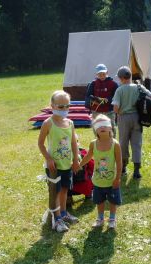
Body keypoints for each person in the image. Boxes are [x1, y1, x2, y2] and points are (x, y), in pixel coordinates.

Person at [38, 90, 80, 233]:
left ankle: (63, 213)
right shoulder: (47, 123)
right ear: (52, 106)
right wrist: (48, 159)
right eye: (60, 106)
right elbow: (41, 144)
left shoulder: (70, 123)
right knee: (55, 192)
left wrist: (76, 159)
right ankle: (57, 220)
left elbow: (74, 143)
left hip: (66, 164)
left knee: (64, 190)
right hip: (54, 166)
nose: (64, 109)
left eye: (67, 106)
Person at [112, 66, 151, 179]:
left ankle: (123, 168)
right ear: (130, 76)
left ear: (121, 78)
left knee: (123, 143)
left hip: (124, 118)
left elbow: (116, 108)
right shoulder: (138, 86)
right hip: (137, 117)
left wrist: (120, 112)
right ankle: (137, 170)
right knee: (137, 143)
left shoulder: (119, 90)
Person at [79, 114, 122, 229]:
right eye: (99, 125)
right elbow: (88, 156)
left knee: (113, 201)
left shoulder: (115, 144)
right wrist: (79, 165)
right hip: (97, 181)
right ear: (95, 129)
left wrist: (117, 178)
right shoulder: (93, 143)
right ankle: (100, 218)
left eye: (105, 124)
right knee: (99, 201)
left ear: (110, 127)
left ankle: (112, 218)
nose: (102, 127)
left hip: (112, 181)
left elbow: (119, 162)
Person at [85, 64, 118, 137]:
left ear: (107, 73)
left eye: (103, 74)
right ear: (96, 74)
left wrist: (106, 100)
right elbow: (88, 96)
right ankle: (98, 142)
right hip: (96, 111)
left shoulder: (113, 84)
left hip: (109, 111)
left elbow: (116, 97)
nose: (102, 76)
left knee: (111, 127)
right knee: (96, 127)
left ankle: (113, 143)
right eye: (100, 74)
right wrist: (94, 100)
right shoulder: (93, 84)